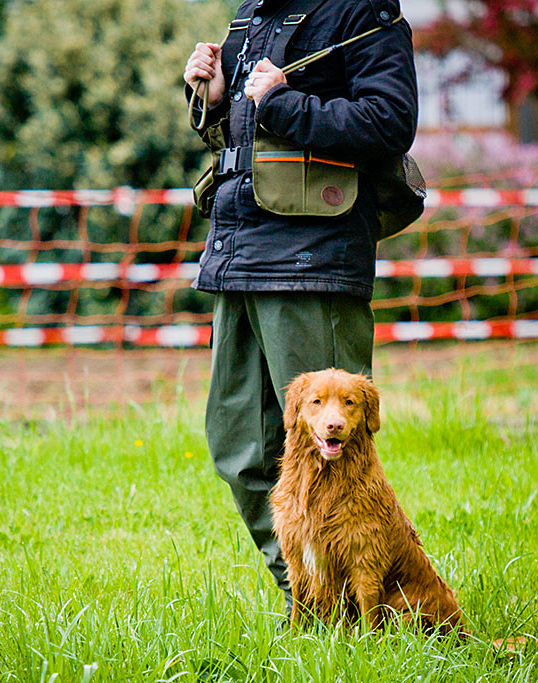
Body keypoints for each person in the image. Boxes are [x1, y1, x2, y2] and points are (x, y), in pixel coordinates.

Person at [182, 0, 418, 610]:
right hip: (238, 248)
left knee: (333, 450)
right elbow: (244, 131)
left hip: (316, 255)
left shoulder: (359, 10)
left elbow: (390, 120)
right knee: (240, 443)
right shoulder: (252, 14)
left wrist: (283, 103)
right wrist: (212, 97)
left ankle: (384, 611)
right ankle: (312, 598)